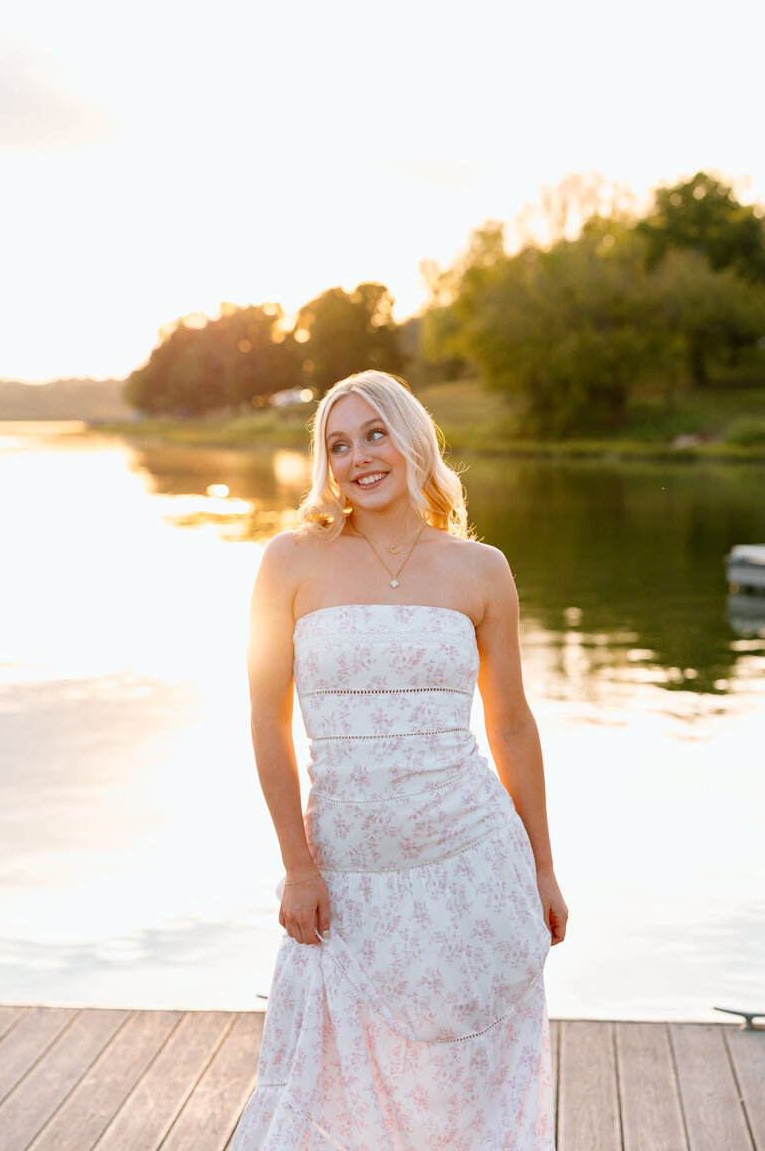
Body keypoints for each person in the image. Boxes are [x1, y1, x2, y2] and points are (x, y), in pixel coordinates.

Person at [232, 370, 567, 1151]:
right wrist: (298, 865)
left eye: (374, 433)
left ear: (413, 438)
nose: (358, 458)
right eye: (338, 444)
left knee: (465, 1098)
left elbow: (512, 725)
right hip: (344, 878)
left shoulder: (482, 570)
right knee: (325, 1094)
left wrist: (543, 867)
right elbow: (265, 719)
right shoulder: (291, 561)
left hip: (471, 865)